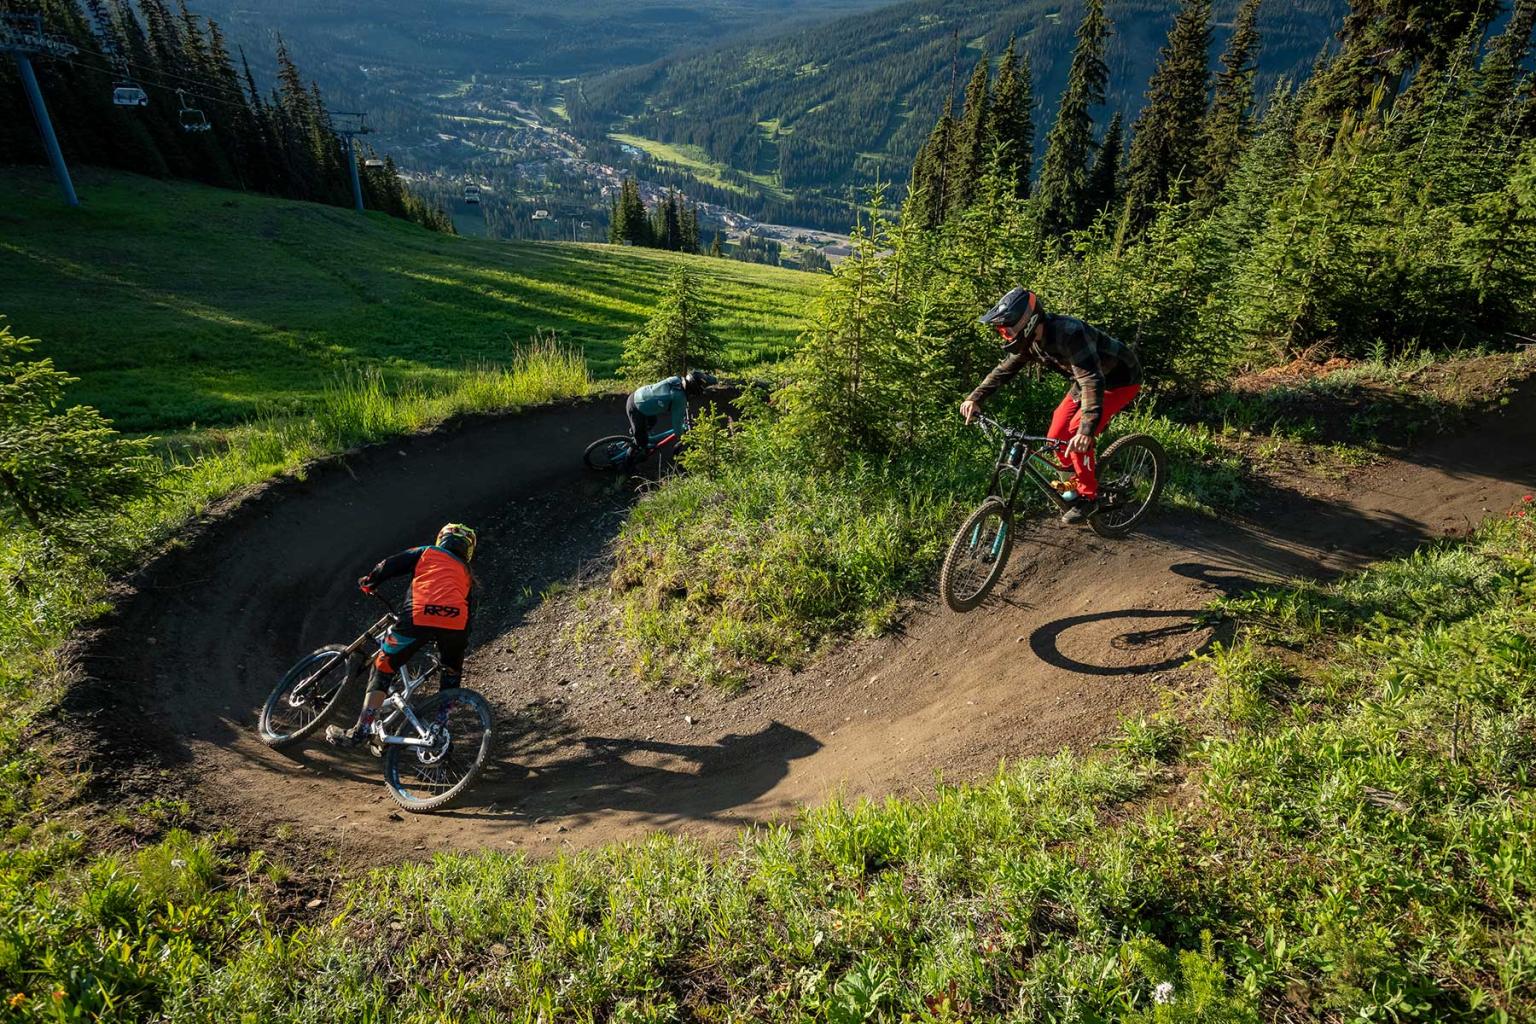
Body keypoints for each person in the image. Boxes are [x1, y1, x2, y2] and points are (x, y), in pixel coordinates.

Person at [960, 287, 1142, 525]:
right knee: (1055, 435)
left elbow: (1092, 381)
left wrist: (1086, 431)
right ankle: (1076, 478)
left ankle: (1088, 496)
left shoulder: (1069, 333)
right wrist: (975, 398)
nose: (1004, 334)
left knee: (1078, 430)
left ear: (1027, 322)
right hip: (1085, 377)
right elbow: (1004, 370)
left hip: (1119, 380)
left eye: (1007, 329)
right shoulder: (1031, 341)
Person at [325, 523, 478, 748]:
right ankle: (439, 730)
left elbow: (390, 564)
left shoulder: (428, 552)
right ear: (468, 550)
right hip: (456, 625)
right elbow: (471, 611)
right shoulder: (467, 574)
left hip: (418, 615)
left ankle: (361, 730)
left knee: (383, 665)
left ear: (441, 539)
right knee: (451, 675)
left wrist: (370, 581)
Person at [626, 370, 717, 460]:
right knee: (641, 442)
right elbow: (677, 427)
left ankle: (637, 433)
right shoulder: (679, 398)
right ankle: (627, 464)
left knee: (652, 421)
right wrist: (683, 437)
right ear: (695, 390)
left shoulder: (677, 380)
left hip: (640, 396)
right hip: (636, 408)